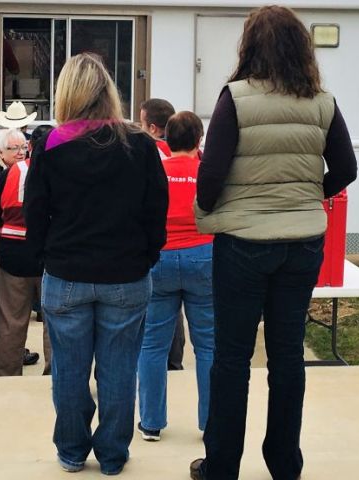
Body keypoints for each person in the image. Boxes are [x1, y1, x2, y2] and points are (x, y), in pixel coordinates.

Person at [189, 6, 357, 480]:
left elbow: (211, 176)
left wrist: (217, 209)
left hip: (242, 243)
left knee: (232, 357)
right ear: (301, 48)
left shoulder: (236, 99)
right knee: (288, 356)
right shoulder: (322, 101)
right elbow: (346, 169)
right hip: (303, 243)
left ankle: (221, 465)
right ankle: (284, 463)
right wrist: (307, 196)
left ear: (250, 47)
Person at [24, 53, 168, 475]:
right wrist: (148, 255)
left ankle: (71, 451)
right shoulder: (139, 143)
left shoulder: (49, 144)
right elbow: (155, 209)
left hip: (66, 273)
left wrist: (45, 257)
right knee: (119, 371)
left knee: (68, 370)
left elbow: (35, 210)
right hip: (126, 274)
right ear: (110, 93)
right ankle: (112, 455)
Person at [137, 111, 214, 442]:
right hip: (203, 257)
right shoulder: (209, 172)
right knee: (209, 345)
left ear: (166, 138)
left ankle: (152, 422)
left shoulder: (155, 171)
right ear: (199, 140)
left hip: (160, 259)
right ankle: (211, 422)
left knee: (152, 344)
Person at [0, 129, 51, 376]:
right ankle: (55, 375)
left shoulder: (9, 174)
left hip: (12, 258)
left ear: (30, 146)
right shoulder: (64, 175)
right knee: (55, 322)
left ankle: (7, 376)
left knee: (11, 322)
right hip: (51, 261)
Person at [140, 98, 187, 372]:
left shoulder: (148, 153)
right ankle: (174, 360)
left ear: (154, 128)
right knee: (176, 311)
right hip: (191, 242)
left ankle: (154, 363)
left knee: (155, 309)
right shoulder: (189, 154)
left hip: (159, 241)